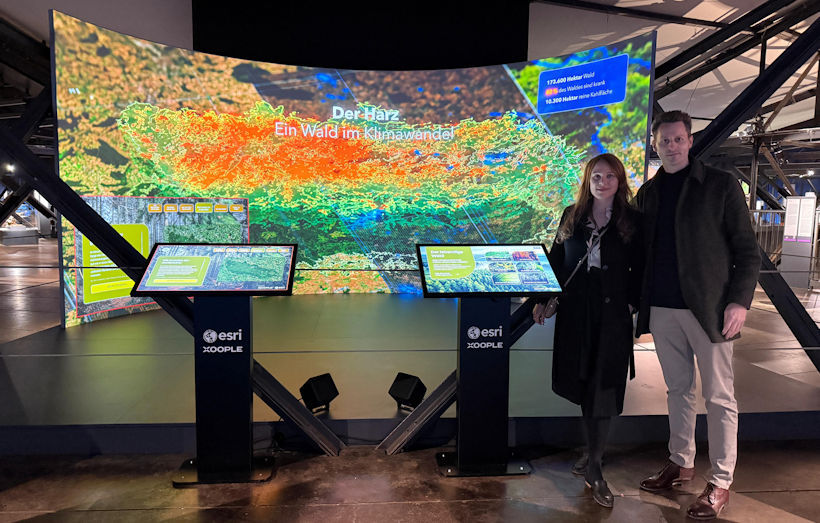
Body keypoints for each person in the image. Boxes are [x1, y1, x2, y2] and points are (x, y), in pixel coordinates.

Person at [633, 110, 760, 520]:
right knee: (678, 390)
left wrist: (739, 301)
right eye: (663, 140)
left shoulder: (720, 186)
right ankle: (681, 462)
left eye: (677, 139)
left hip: (710, 310)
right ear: (655, 145)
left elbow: (747, 250)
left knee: (720, 397)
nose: (671, 146)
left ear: (689, 141)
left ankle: (721, 482)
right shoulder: (648, 195)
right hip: (663, 309)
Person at [533, 153, 643, 509]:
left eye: (610, 176)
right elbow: (556, 259)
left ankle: (595, 467)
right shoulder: (572, 215)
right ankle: (592, 455)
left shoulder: (632, 220)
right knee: (582, 383)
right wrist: (542, 298)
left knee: (604, 388)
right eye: (597, 175)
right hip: (577, 311)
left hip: (612, 315)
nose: (603, 181)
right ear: (587, 179)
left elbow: (643, 268)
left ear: (619, 180)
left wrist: (632, 305)